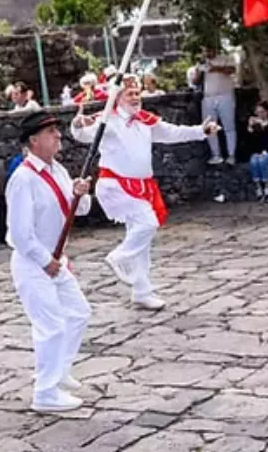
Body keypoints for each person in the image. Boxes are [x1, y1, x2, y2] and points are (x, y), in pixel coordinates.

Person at [71, 75, 219, 310]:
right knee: (147, 224)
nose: (135, 97)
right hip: (115, 186)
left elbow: (173, 133)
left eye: (137, 93)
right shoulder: (107, 121)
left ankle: (142, 291)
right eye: (129, 94)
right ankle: (119, 256)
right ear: (117, 98)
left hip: (141, 187)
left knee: (143, 240)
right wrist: (78, 125)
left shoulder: (146, 121)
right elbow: (84, 134)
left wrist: (202, 131)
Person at [6, 111, 93, 413]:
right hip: (34, 263)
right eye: (51, 132)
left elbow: (78, 211)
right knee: (50, 325)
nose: (58, 136)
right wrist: (45, 261)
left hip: (56, 260)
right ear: (34, 140)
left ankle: (60, 370)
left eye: (57, 130)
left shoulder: (59, 171)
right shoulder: (23, 179)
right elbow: (20, 233)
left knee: (79, 312)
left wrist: (81, 194)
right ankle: (45, 392)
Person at [191, 45, 238, 165]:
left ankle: (231, 155)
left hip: (225, 95)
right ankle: (216, 155)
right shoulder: (201, 62)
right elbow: (195, 82)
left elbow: (232, 70)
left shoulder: (225, 58)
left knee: (229, 127)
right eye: (205, 50)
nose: (207, 52)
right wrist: (199, 71)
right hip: (208, 97)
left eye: (209, 49)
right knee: (210, 127)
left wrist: (215, 68)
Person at [246, 102, 268, 203]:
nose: (260, 114)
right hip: (258, 152)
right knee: (254, 160)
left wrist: (265, 127)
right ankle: (258, 187)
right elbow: (251, 143)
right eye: (258, 112)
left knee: (263, 160)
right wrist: (250, 128)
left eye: (262, 112)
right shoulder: (255, 125)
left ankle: (267, 187)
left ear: (267, 112)